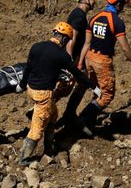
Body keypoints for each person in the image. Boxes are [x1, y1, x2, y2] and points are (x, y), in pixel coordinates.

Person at [17, 22, 100, 165]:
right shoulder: (61, 55)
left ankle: (49, 148)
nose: (66, 43)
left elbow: (29, 68)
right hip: (44, 95)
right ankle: (24, 157)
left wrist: (22, 84)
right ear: (63, 39)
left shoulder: (36, 47)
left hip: (31, 89)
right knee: (38, 127)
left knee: (53, 115)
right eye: (67, 41)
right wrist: (93, 86)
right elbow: (77, 74)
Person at [77, 0, 131, 137]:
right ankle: (84, 118)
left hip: (89, 58)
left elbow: (87, 43)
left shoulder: (94, 18)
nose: (123, 8)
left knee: (98, 90)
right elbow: (125, 48)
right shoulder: (117, 22)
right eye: (123, 5)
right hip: (102, 61)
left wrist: (81, 62)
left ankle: (89, 123)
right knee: (107, 95)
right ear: (118, 4)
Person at [57, 0, 96, 127]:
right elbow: (71, 39)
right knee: (65, 86)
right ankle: (43, 109)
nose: (95, 0)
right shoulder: (78, 16)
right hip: (72, 59)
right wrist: (71, 62)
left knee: (78, 84)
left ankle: (69, 113)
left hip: (75, 59)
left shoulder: (79, 15)